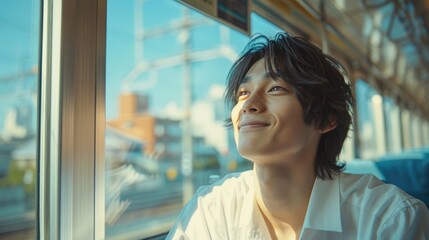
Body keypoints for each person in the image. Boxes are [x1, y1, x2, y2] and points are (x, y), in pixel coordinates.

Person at [166, 32, 429, 239]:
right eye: (243, 93)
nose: (248, 105)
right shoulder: (211, 210)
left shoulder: (388, 220)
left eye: (276, 88)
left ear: (325, 119)